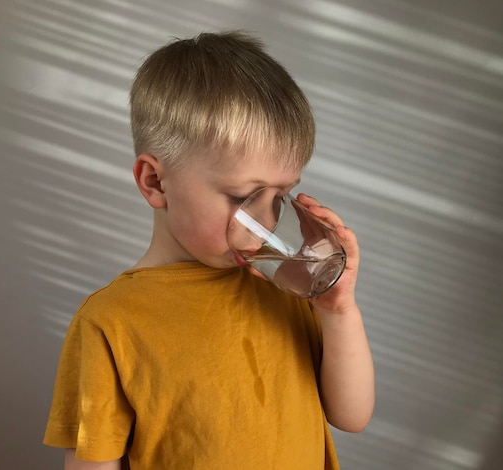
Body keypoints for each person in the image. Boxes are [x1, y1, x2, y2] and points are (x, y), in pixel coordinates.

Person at [43, 30, 375, 469]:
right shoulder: (111, 321)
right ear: (155, 182)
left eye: (279, 197)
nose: (266, 223)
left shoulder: (287, 289)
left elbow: (351, 416)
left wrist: (337, 311)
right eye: (242, 197)